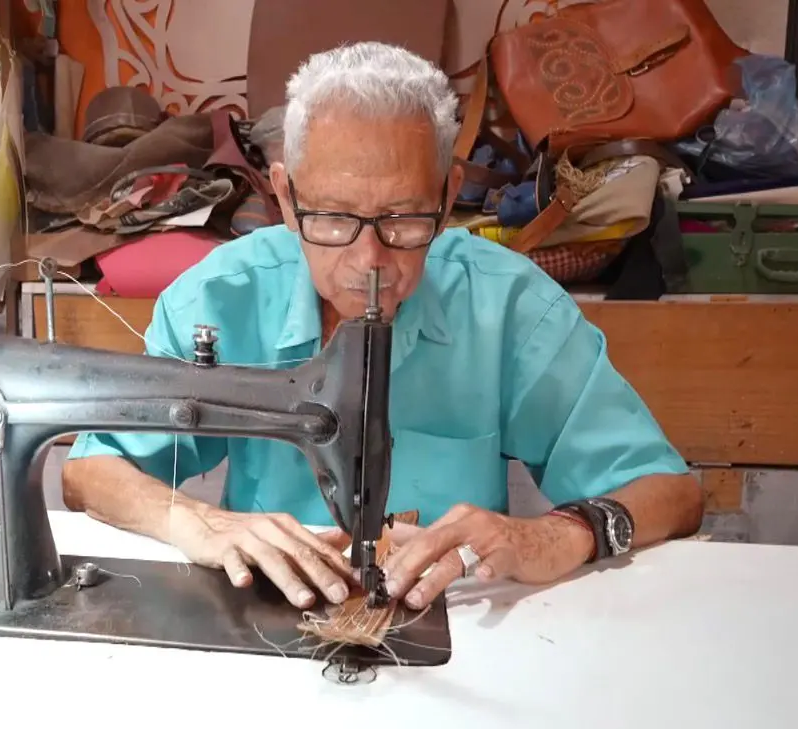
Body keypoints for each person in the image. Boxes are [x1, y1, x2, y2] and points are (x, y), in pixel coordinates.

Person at [62, 41, 704, 613]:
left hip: (467, 628)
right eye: (334, 218)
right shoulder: (220, 299)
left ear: (449, 197)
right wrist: (196, 522)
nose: (369, 263)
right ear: (285, 196)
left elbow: (670, 494)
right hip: (267, 634)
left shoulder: (508, 307)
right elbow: (91, 471)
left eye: (403, 220)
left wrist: (557, 532)